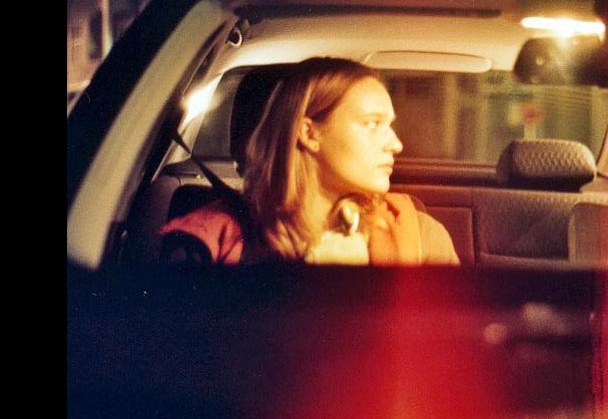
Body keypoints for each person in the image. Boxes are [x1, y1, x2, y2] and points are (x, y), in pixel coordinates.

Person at [160, 57, 460, 266]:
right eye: (372, 123)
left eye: (389, 125)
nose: (396, 144)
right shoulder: (210, 240)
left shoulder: (419, 235)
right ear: (309, 133)